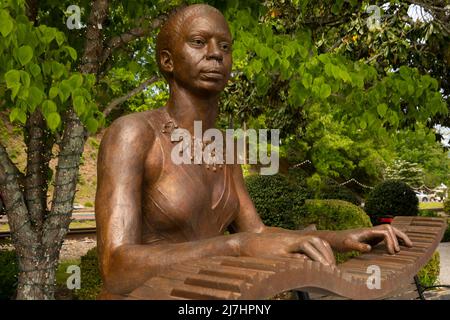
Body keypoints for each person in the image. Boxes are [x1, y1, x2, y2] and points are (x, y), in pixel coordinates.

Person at [95, 4, 412, 299]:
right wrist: (236, 246)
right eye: (198, 42)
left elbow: (257, 232)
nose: (215, 54)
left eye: (225, 46)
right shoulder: (132, 134)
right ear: (167, 60)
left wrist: (341, 238)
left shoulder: (225, 147)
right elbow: (116, 268)